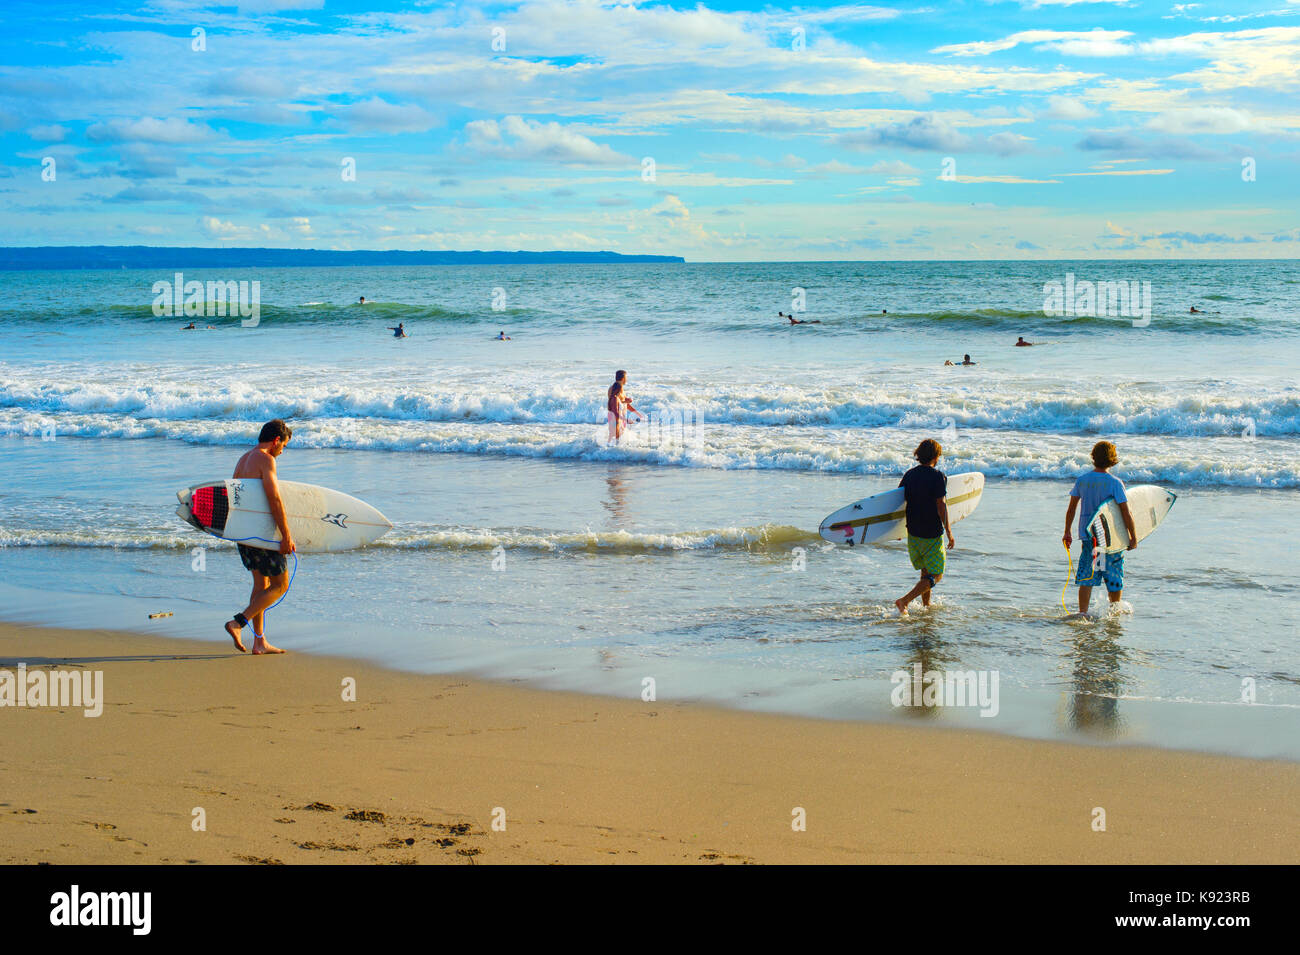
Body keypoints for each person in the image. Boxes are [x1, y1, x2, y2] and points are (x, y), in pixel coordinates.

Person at [224, 419, 296, 654]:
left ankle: (259, 642)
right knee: (280, 585)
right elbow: (274, 500)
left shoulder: (243, 459)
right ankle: (238, 622)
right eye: (283, 445)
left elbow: (234, 498)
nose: (282, 451)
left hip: (244, 533)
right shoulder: (266, 460)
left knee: (261, 585)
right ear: (276, 440)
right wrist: (286, 535)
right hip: (262, 535)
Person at [1063, 441, 1136, 616]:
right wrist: (1133, 537)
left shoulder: (1083, 481)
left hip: (1090, 538)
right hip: (1111, 540)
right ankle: (1114, 612)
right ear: (1112, 459)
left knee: (1088, 577)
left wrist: (1067, 532)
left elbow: (1071, 508)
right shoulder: (1115, 483)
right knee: (1113, 576)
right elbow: (1126, 512)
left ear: (1093, 457)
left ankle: (1083, 613)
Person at [894, 439, 956, 615]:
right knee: (936, 574)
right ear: (936, 456)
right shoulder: (938, 477)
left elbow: (898, 500)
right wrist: (949, 532)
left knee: (925, 572)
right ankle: (904, 601)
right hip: (931, 533)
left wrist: (895, 528)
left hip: (913, 532)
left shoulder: (909, 475)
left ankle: (926, 607)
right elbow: (941, 505)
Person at [606, 370, 643, 443]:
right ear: (623, 378)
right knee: (615, 438)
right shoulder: (614, 389)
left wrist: (637, 413)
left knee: (619, 438)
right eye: (626, 377)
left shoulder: (620, 388)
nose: (627, 379)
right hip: (616, 417)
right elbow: (614, 405)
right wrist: (625, 419)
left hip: (621, 417)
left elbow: (624, 403)